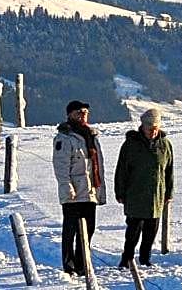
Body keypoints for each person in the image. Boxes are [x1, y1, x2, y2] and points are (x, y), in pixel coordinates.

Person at [115, 108, 174, 268]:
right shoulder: (131, 144)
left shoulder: (165, 144)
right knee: (133, 230)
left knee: (151, 230)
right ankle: (127, 259)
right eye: (150, 129)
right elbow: (121, 170)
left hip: (156, 195)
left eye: (155, 129)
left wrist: (169, 192)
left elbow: (168, 171)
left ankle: (145, 259)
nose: (153, 132)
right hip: (135, 193)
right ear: (143, 127)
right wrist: (120, 192)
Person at [52, 100, 106, 276]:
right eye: (78, 112)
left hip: (90, 191)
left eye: (85, 112)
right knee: (71, 230)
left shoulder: (91, 136)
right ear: (70, 115)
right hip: (74, 192)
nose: (82, 115)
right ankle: (69, 266)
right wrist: (67, 188)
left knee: (88, 230)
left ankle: (83, 263)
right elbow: (61, 167)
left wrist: (99, 190)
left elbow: (97, 166)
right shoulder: (64, 137)